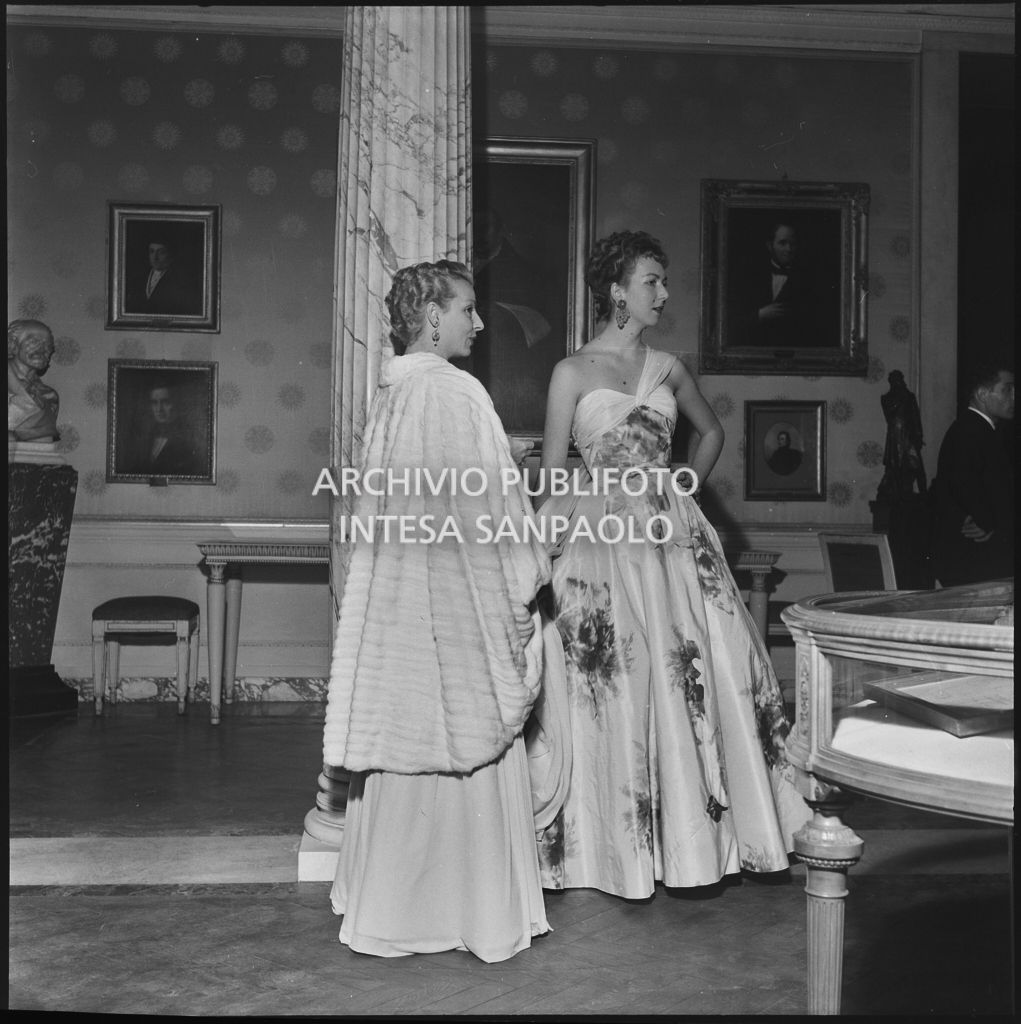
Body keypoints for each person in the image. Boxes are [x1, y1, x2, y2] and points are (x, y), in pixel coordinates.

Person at [536, 229, 808, 899]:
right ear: (616, 291)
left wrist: (681, 483)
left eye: (662, 280)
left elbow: (711, 431)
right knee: (618, 679)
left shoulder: (670, 366)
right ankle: (615, 852)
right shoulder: (571, 373)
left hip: (670, 530)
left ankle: (700, 840)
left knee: (697, 668)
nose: (663, 292)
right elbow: (549, 477)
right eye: (652, 280)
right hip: (602, 536)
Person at [322, 259, 558, 962]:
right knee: (462, 728)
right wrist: (529, 574)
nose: (478, 324)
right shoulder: (455, 395)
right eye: (466, 310)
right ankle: (470, 911)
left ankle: (394, 908)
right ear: (431, 318)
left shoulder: (394, 398)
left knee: (407, 738)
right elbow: (492, 516)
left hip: (408, 608)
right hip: (456, 608)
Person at [929, 363, 1014, 587]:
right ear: (982, 394)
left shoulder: (979, 429)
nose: (1013, 397)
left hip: (974, 557)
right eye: (1007, 389)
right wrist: (986, 521)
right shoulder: (971, 429)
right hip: (972, 559)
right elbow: (961, 482)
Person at [729, 220, 836, 349]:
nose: (789, 249)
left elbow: (820, 326)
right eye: (782, 243)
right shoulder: (750, 277)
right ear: (770, 245)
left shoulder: (810, 279)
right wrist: (759, 315)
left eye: (793, 244)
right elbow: (731, 324)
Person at [121, 381, 201, 476]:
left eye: (165, 402)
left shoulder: (188, 437)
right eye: (155, 403)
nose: (159, 409)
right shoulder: (148, 435)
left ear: (175, 403)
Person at [878, 369, 927, 500]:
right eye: (897, 380)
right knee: (895, 466)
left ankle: (922, 494)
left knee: (916, 465)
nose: (900, 383)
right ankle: (899, 491)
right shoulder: (887, 399)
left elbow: (915, 417)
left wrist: (918, 435)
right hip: (895, 436)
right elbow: (890, 415)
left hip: (909, 435)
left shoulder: (909, 397)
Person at [8, 318, 59, 442]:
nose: (43, 349)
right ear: (13, 345)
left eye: (48, 345)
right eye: (34, 341)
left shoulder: (50, 396)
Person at [125, 240, 202, 316]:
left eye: (161, 252)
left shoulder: (180, 281)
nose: (155, 257)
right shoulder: (139, 279)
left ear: (170, 255)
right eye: (152, 251)